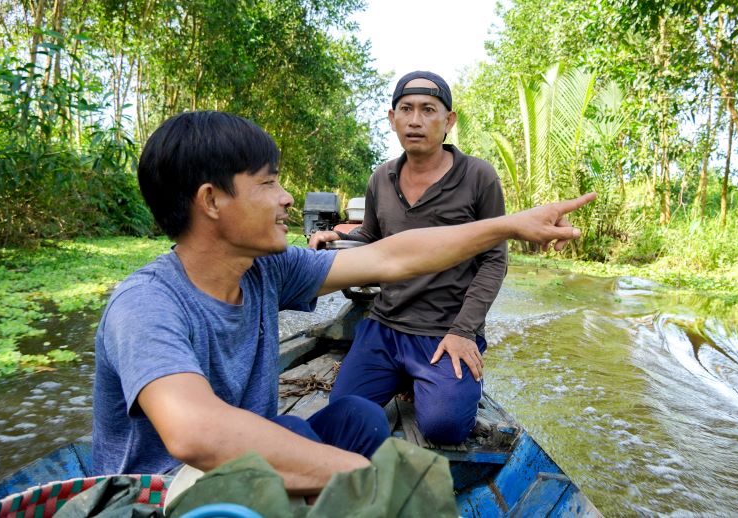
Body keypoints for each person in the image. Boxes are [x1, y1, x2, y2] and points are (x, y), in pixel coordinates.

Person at [92, 110, 594, 499]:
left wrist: (509, 225)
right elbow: (195, 433)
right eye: (269, 183)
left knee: (357, 416)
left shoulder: (267, 269)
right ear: (211, 201)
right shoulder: (147, 304)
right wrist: (365, 478)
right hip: (168, 496)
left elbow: (392, 256)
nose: (287, 199)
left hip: (238, 472)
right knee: (347, 452)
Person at [310, 71, 506, 444]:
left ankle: (452, 384)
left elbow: (494, 259)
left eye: (428, 110)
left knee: (444, 428)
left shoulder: (478, 177)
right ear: (392, 118)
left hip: (444, 331)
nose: (416, 120)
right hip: (386, 327)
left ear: (448, 120)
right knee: (345, 409)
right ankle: (404, 375)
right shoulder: (380, 178)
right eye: (407, 109)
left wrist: (464, 331)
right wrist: (334, 235)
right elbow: (370, 236)